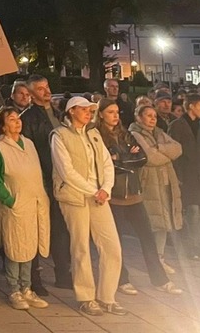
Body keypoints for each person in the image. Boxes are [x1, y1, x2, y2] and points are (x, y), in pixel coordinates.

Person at [92, 100, 181, 296]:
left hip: (134, 193)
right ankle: (121, 279)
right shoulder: (97, 136)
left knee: (147, 237)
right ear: (101, 114)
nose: (115, 116)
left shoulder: (126, 134)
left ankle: (160, 279)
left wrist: (120, 158)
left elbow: (141, 158)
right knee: (116, 241)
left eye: (117, 112)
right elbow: (106, 164)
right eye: (110, 112)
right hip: (114, 195)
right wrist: (125, 157)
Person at [51, 96, 126, 317]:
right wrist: (94, 190)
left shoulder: (93, 134)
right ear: (71, 111)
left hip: (98, 196)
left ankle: (107, 296)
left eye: (90, 110)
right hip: (75, 197)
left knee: (112, 246)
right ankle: (86, 297)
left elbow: (106, 163)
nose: (88, 113)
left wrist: (106, 189)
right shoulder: (59, 135)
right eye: (84, 109)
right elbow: (66, 171)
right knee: (81, 246)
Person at [0, 107, 50, 311]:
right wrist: (11, 201)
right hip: (14, 205)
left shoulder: (28, 143)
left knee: (29, 247)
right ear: (3, 126)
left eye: (18, 118)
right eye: (12, 119)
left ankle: (27, 288)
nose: (17, 122)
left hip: (33, 203)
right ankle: (14, 289)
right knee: (15, 249)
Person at [19, 74, 72, 294]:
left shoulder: (59, 114)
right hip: (42, 178)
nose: (47, 91)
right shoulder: (27, 118)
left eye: (47, 86)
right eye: (40, 89)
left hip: (61, 178)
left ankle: (63, 273)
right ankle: (34, 278)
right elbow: (27, 152)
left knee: (61, 228)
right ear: (31, 94)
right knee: (38, 230)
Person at [130, 105, 183, 273]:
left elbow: (178, 148)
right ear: (139, 117)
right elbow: (150, 158)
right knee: (153, 223)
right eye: (148, 115)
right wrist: (167, 155)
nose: (153, 119)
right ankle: (153, 260)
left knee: (164, 222)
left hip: (166, 181)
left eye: (154, 116)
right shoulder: (134, 134)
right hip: (149, 182)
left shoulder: (159, 133)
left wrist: (160, 148)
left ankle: (160, 258)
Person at [168, 94, 200, 259]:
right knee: (191, 211)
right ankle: (191, 248)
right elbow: (173, 151)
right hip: (186, 175)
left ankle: (198, 245)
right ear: (191, 106)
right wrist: (177, 175)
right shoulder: (177, 125)